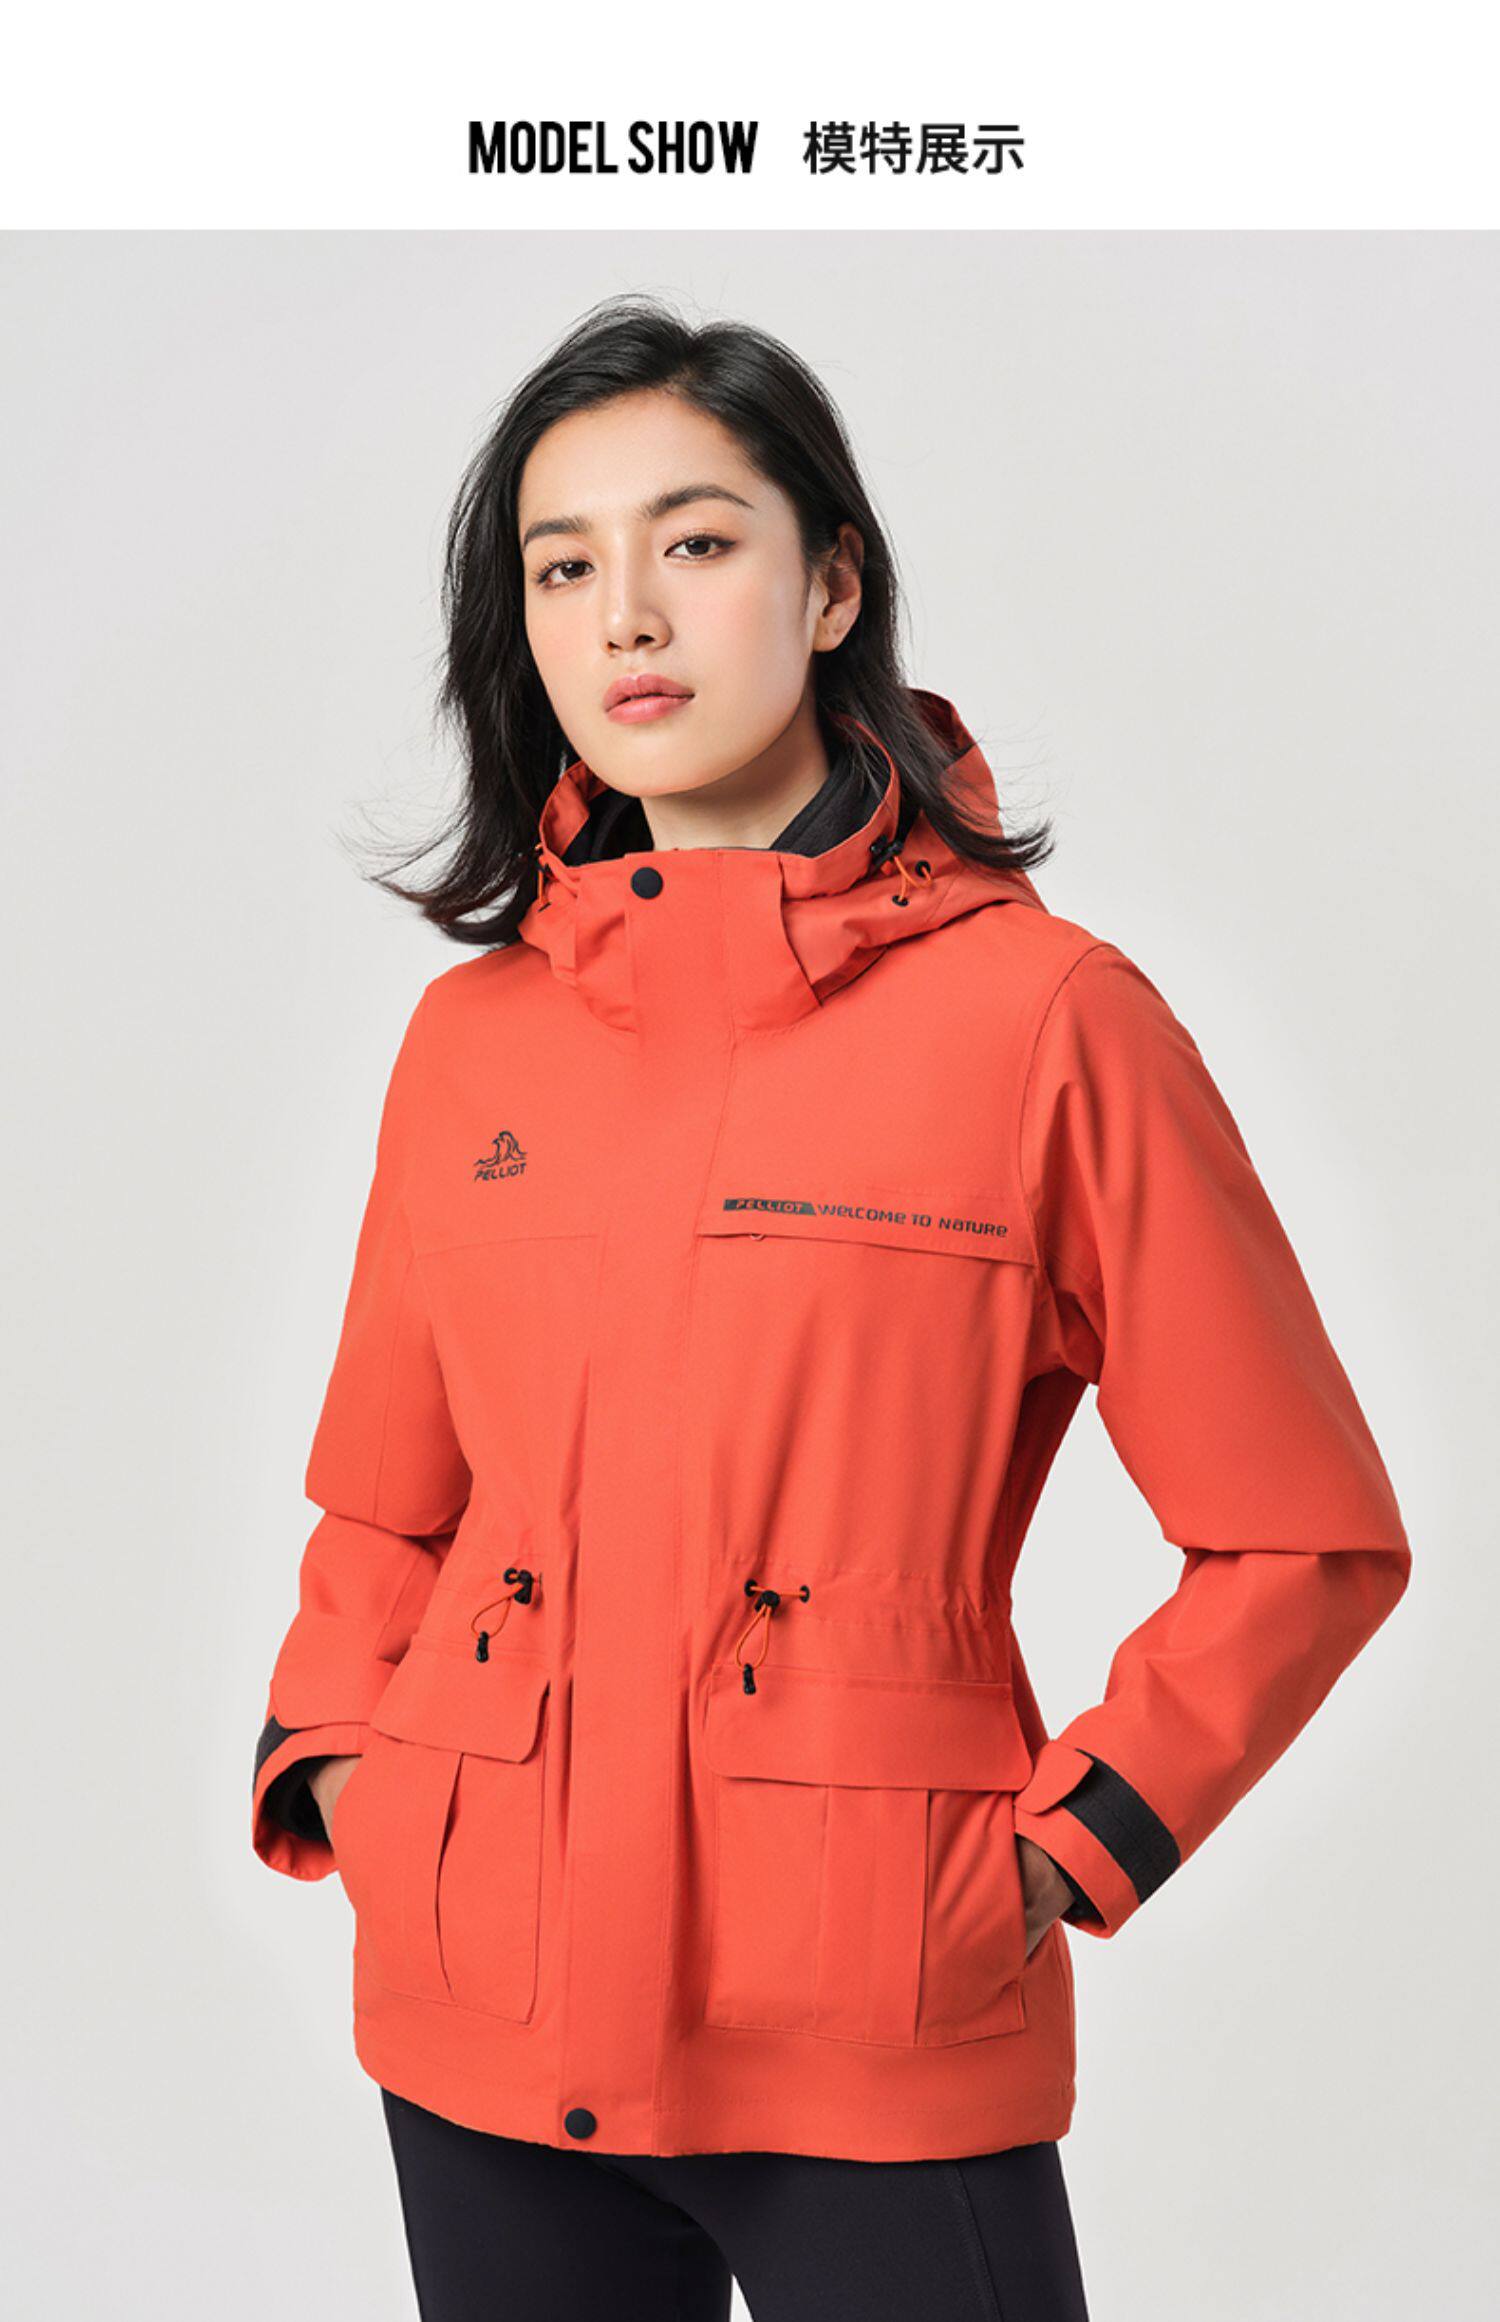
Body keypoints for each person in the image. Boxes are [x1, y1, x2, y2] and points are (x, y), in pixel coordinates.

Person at [250, 295, 1411, 2321]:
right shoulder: (471, 1045)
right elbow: (385, 1507)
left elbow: (1302, 1534)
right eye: (562, 567)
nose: (627, 616)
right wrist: (354, 1762)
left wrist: (1065, 1847)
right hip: (477, 2014)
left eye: (695, 542)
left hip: (874, 2016)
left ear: (833, 585)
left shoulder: (1047, 1025)